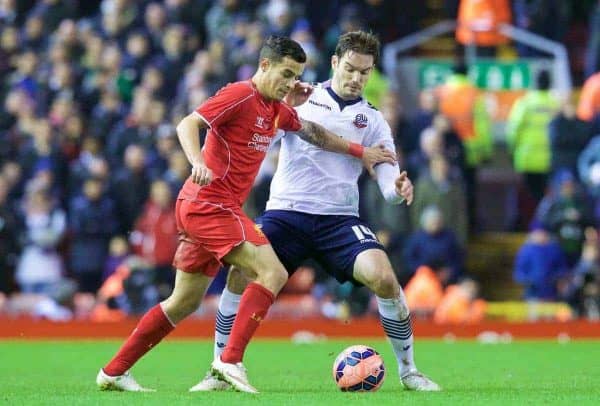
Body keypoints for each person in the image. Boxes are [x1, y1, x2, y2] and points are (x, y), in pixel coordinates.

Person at [95, 35, 395, 393]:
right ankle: (229, 361)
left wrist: (360, 151)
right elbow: (187, 124)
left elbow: (313, 131)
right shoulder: (240, 94)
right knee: (272, 271)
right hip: (209, 203)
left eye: (296, 76)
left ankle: (113, 371)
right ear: (264, 65)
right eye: (285, 74)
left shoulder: (274, 108)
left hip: (212, 208)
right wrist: (198, 162)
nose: (290, 83)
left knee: (183, 302)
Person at [192, 31, 440, 393]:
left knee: (384, 278)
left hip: (338, 220)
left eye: (365, 72)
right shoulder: (298, 99)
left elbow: (387, 175)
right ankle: (219, 369)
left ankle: (409, 370)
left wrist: (397, 189)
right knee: (240, 274)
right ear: (335, 63)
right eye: (351, 69)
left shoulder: (373, 120)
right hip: (286, 214)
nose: (357, 79)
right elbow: (261, 140)